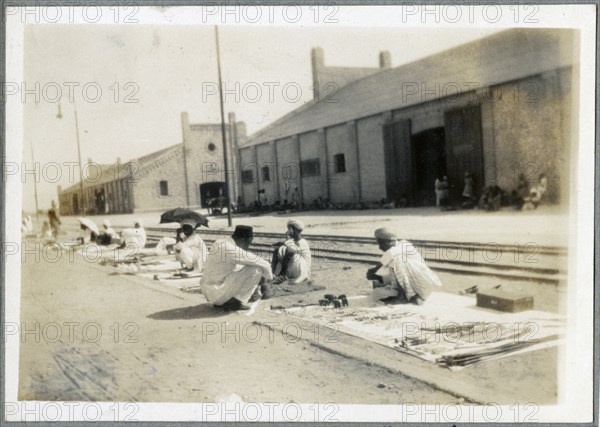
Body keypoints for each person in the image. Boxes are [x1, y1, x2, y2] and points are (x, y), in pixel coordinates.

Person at [200, 225, 273, 311]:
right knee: (257, 269)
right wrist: (269, 279)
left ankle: (225, 301)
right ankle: (236, 302)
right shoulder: (229, 248)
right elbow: (264, 263)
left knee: (245, 266)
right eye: (248, 243)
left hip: (211, 291)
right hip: (216, 293)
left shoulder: (220, 242)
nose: (248, 247)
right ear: (242, 240)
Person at [366, 228, 441, 305]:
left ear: (391, 241)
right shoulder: (395, 249)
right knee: (387, 267)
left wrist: (373, 271)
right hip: (416, 285)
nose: (380, 247)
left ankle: (402, 297)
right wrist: (375, 273)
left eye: (381, 243)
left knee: (396, 261)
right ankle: (408, 295)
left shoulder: (403, 245)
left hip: (422, 285)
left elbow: (388, 255)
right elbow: (384, 261)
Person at [271, 219, 311, 284]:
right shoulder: (292, 241)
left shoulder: (303, 242)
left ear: (294, 230)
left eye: (290, 229)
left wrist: (287, 238)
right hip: (294, 268)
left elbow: (292, 249)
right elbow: (288, 246)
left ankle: (284, 276)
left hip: (302, 270)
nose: (288, 231)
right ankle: (273, 274)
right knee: (279, 250)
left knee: (292, 253)